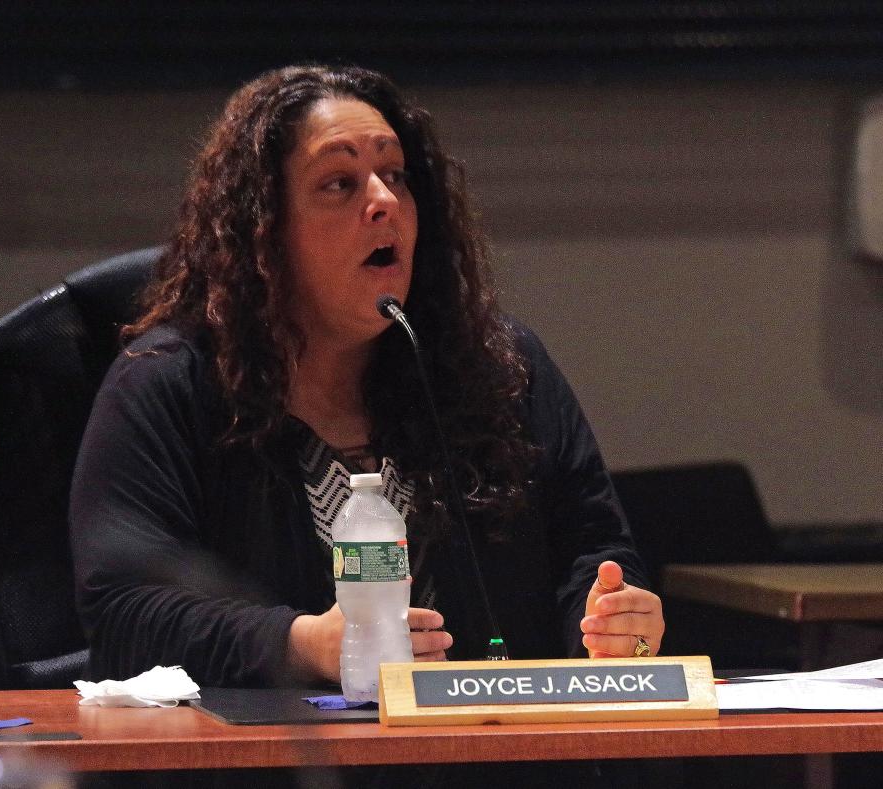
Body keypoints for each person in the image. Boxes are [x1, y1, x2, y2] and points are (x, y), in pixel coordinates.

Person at [70, 64, 664, 697]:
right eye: (339, 183)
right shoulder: (170, 385)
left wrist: (609, 622)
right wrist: (301, 644)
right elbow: (123, 609)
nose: (383, 201)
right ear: (263, 230)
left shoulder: (498, 367)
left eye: (396, 177)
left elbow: (591, 552)